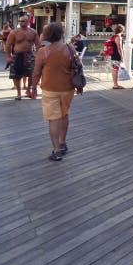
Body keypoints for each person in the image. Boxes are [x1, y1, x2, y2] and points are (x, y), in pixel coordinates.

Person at [29, 22, 81, 162]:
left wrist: (33, 87)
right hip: (67, 89)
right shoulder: (70, 49)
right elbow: (77, 67)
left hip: (49, 89)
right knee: (64, 115)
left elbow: (37, 72)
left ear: (47, 35)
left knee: (53, 119)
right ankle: (63, 143)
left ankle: (56, 150)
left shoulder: (43, 51)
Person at [5, 15, 42, 100]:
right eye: (20, 21)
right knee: (17, 75)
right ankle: (18, 93)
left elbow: (38, 44)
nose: (21, 23)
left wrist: (37, 54)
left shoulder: (33, 32)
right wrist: (8, 56)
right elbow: (8, 44)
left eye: (23, 21)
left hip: (29, 55)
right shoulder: (14, 32)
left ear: (28, 22)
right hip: (17, 55)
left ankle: (28, 90)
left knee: (31, 74)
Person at [109, 24, 125, 89]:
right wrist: (122, 56)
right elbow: (119, 48)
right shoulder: (118, 37)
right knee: (115, 69)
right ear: (121, 30)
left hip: (113, 55)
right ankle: (116, 85)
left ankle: (115, 84)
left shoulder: (113, 36)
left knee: (114, 69)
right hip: (116, 55)